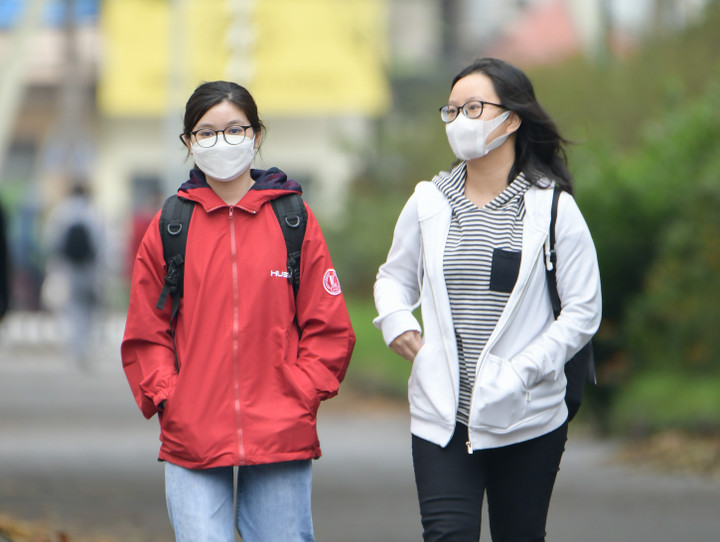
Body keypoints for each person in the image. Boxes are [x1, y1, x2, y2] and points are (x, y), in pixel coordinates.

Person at [373, 58, 602, 542]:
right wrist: (398, 324)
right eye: (452, 110)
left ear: (512, 119)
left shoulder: (552, 208)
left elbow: (583, 310)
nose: (460, 120)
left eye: (473, 108)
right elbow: (394, 277)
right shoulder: (428, 202)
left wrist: (522, 370)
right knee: (447, 534)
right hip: (442, 415)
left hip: (527, 415)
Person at [121, 81, 355, 542]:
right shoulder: (171, 225)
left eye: (234, 129)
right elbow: (147, 331)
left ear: (256, 135)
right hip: (192, 431)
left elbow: (328, 325)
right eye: (206, 132)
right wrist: (170, 396)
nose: (221, 141)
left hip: (281, 430)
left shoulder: (293, 219)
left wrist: (301, 392)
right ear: (189, 142)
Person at [43, 182, 105, 368]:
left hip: (68, 268)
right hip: (89, 268)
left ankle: (73, 346)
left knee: (70, 308)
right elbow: (103, 242)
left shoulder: (61, 211)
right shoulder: (93, 211)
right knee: (88, 310)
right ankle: (85, 346)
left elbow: (51, 240)